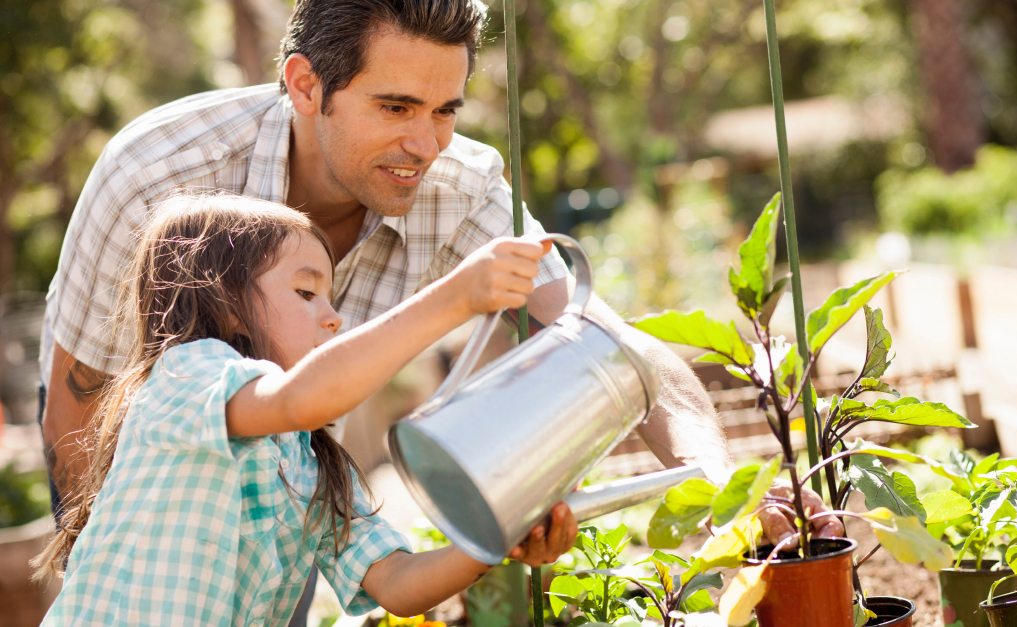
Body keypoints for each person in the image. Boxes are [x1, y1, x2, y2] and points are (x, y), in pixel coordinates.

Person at [38, 0, 837, 575]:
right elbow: (77, 405)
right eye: (393, 107)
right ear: (305, 84)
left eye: (445, 110)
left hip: (278, 535)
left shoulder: (458, 186)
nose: (422, 144)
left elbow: (610, 344)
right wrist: (103, 579)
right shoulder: (160, 176)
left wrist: (728, 490)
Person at [33, 195, 578, 625]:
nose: (333, 317)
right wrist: (456, 297)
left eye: (331, 296)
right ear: (225, 304)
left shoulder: (310, 462)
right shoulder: (185, 376)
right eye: (306, 293)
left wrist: (494, 538)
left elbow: (397, 583)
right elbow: (301, 397)